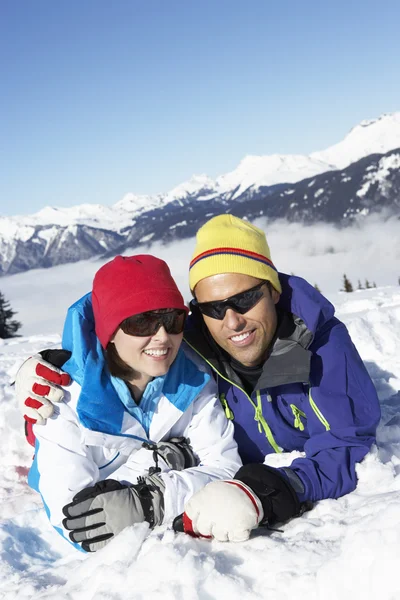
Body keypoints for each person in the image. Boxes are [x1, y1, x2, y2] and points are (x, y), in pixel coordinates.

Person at [16, 215, 381, 543]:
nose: (232, 320)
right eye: (213, 307)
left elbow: (349, 443)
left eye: (247, 298)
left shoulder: (318, 348)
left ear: (273, 290)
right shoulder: (190, 341)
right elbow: (118, 323)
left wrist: (277, 489)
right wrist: (42, 366)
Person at [23, 254, 241, 551]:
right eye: (142, 323)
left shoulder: (193, 379)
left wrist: (154, 500)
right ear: (110, 332)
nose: (162, 336)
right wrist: (163, 463)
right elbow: (81, 522)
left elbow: (228, 469)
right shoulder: (65, 400)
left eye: (172, 320)